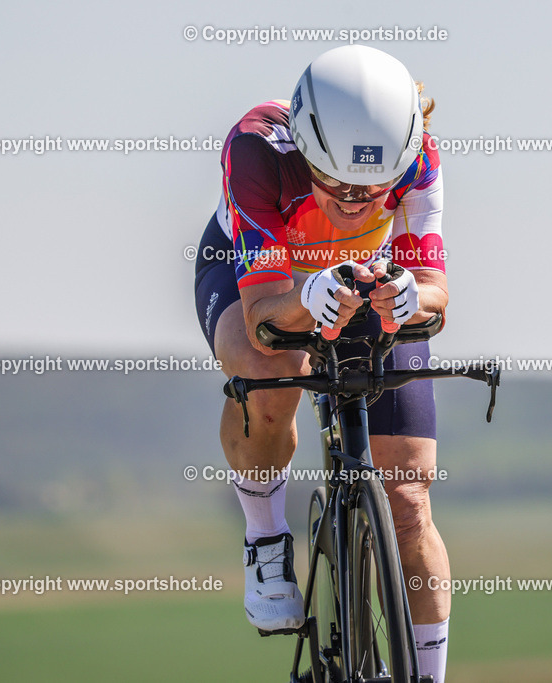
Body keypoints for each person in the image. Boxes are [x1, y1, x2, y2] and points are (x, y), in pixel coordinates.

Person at [193, 45, 450, 682]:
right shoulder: (257, 151)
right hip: (256, 274)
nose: (356, 205)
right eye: (335, 185)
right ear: (304, 150)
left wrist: (415, 295)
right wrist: (305, 296)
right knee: (265, 364)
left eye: (374, 191)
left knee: (411, 496)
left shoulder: (418, 156)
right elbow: (262, 312)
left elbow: (438, 293)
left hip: (363, 279)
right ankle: (265, 533)